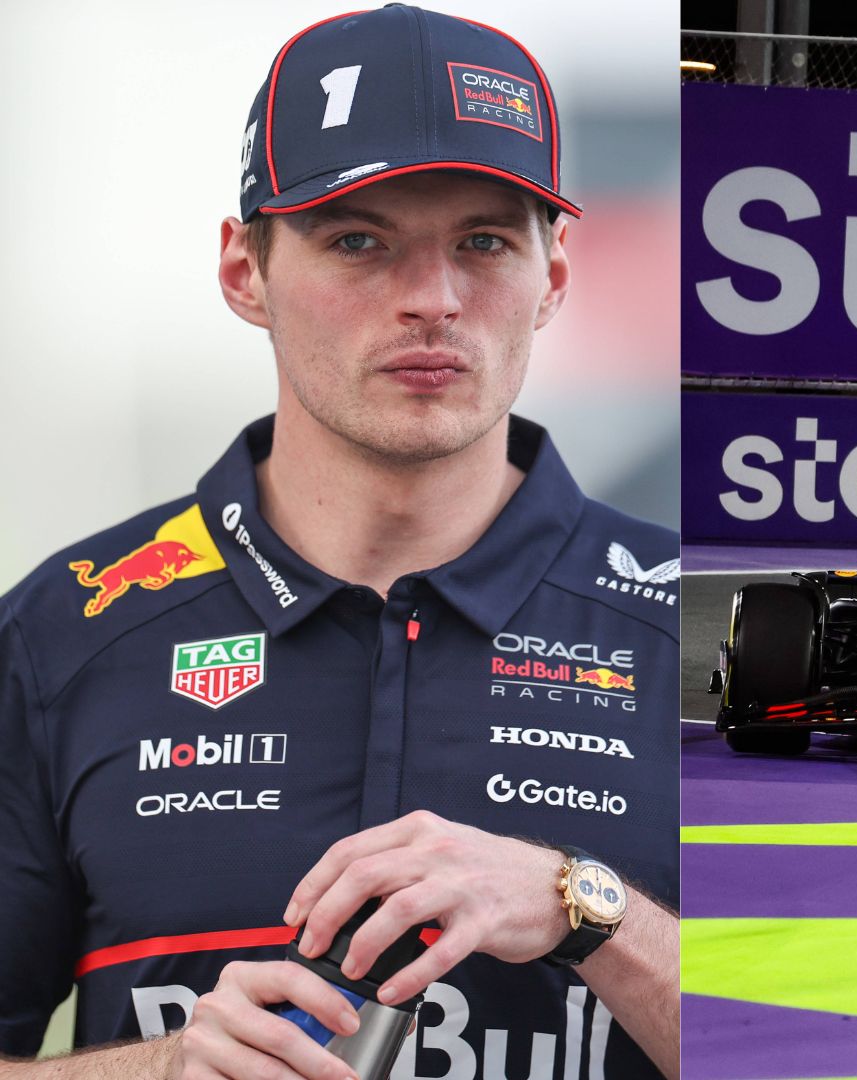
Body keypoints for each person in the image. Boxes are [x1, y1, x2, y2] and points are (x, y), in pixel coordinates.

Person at [0, 6, 679, 1079]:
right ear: (245, 271)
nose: (432, 300)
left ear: (553, 276)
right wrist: (163, 1069)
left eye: (485, 241)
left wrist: (580, 907)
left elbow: (841, 1051)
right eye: (358, 240)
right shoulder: (60, 630)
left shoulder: (694, 634)